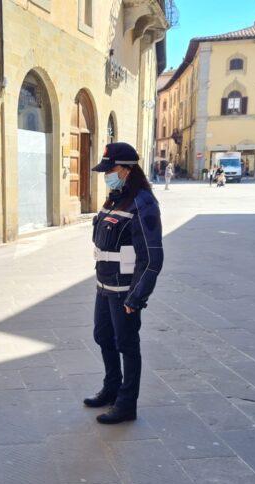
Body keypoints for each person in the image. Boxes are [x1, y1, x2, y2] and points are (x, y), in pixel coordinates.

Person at [85, 142, 164, 424]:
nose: (107, 174)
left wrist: (136, 297)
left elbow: (152, 258)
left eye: (111, 170)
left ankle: (126, 404)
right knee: (103, 336)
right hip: (104, 287)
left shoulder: (143, 203)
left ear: (126, 169)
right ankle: (111, 388)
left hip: (124, 293)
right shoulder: (115, 197)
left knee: (127, 345)